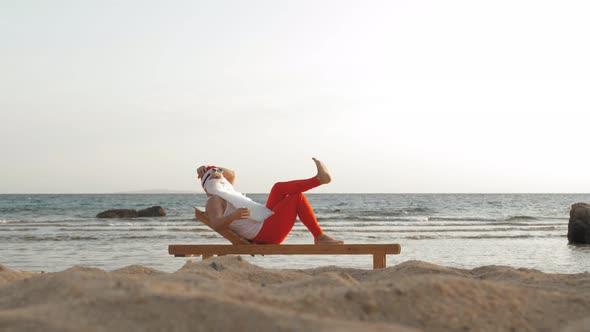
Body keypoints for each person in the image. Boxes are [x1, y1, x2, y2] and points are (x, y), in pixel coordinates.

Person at [197, 158, 343, 245]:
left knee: (278, 188)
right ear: (208, 186)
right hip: (265, 233)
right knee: (296, 198)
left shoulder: (228, 193)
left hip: (264, 222)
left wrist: (213, 168)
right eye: (214, 178)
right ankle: (319, 236)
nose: (220, 179)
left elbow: (232, 174)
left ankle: (319, 179)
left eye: (220, 177)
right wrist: (233, 216)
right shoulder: (214, 200)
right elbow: (216, 224)